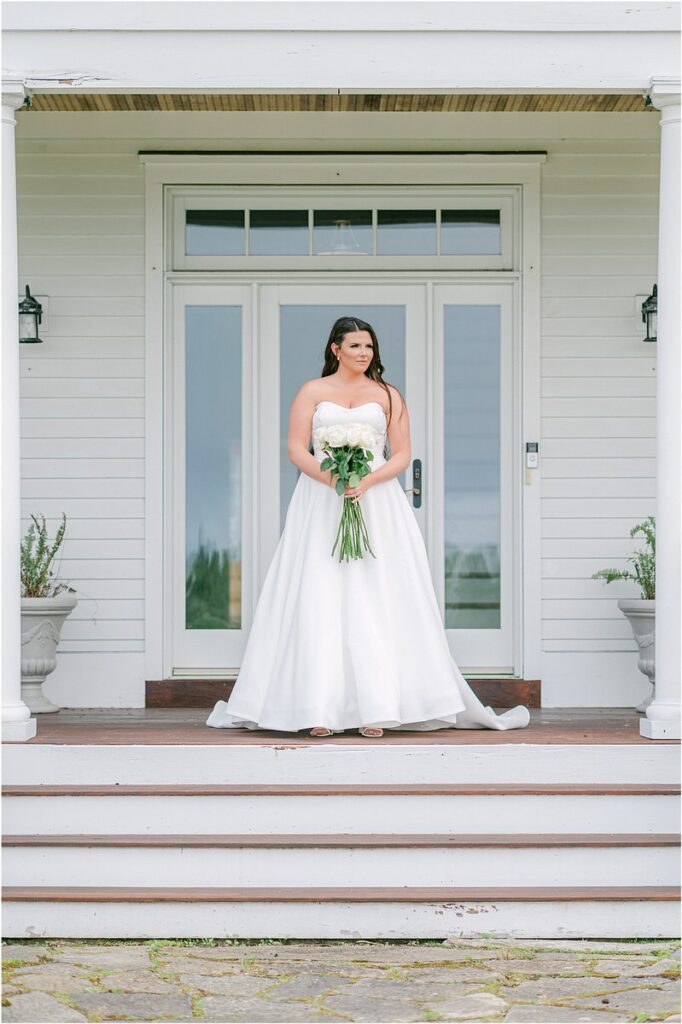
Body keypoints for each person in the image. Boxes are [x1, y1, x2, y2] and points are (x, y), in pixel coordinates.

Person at [206, 316, 530, 737]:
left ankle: (377, 708)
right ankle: (317, 708)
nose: (364, 353)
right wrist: (333, 479)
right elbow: (297, 449)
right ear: (336, 349)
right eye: (355, 346)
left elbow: (402, 454)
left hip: (377, 501)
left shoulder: (388, 395)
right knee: (319, 592)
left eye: (369, 347)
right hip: (320, 501)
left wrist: (367, 481)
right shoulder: (312, 391)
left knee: (377, 594)